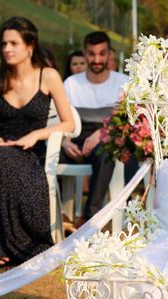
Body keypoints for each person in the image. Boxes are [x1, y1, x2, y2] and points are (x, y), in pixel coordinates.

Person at [0, 17, 75, 267]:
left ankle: (13, 246)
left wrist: (37, 134)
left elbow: (68, 123)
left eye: (14, 43)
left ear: (30, 45)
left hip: (31, 156)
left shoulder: (48, 76)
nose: (6, 49)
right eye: (4, 44)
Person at [61, 31, 129, 223]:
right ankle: (58, 216)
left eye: (102, 53)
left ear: (109, 54)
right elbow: (61, 121)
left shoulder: (122, 82)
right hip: (74, 138)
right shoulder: (71, 83)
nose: (97, 59)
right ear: (85, 54)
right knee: (47, 153)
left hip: (106, 138)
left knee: (106, 153)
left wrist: (102, 132)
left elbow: (126, 121)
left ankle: (90, 217)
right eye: (92, 54)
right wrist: (65, 142)